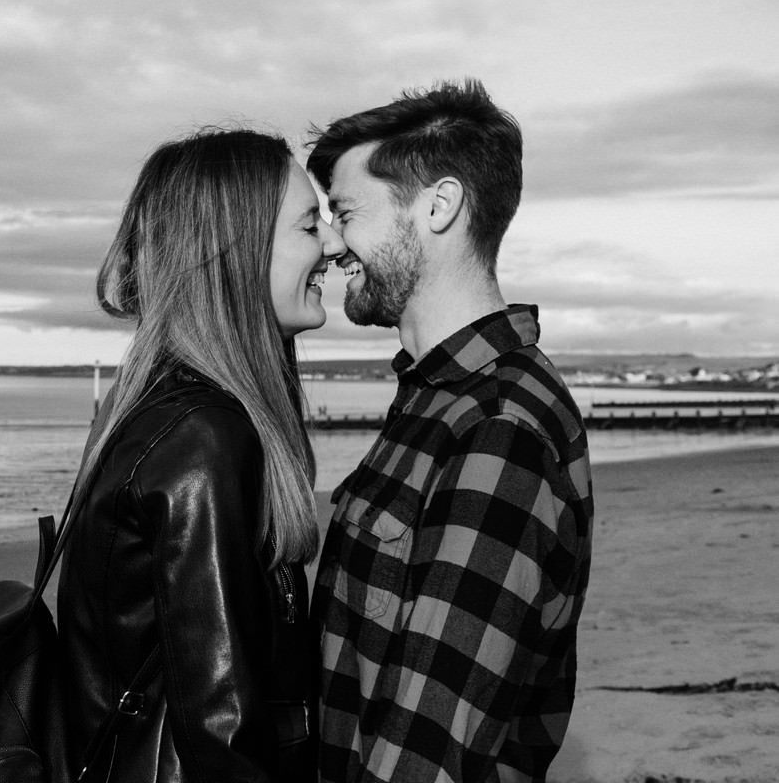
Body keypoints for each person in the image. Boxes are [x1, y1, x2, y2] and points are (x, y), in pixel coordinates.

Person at [305, 80, 594, 783]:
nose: (331, 244)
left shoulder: (498, 427)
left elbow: (426, 753)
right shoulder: (437, 397)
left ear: (439, 206)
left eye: (345, 212)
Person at [57, 127, 345, 781]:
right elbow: (224, 732)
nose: (333, 243)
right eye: (309, 226)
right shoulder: (202, 437)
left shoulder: (160, 408)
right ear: (235, 251)